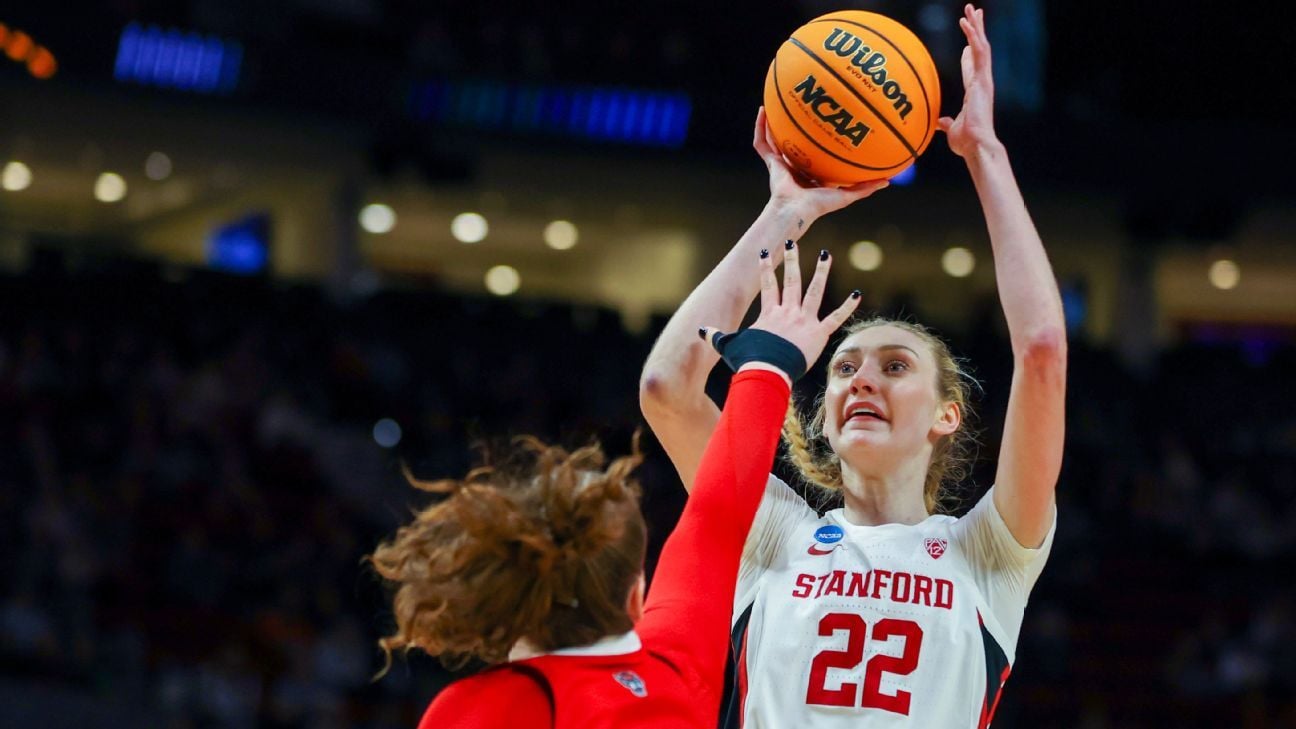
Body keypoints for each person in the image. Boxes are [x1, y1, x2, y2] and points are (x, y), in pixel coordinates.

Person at [638, 5, 1066, 727]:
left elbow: (1043, 349)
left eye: (895, 366)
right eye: (842, 369)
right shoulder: (776, 532)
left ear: (945, 414)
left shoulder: (987, 553)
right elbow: (667, 388)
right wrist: (783, 214)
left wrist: (984, 153)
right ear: (824, 416)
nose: (862, 378)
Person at [369, 249, 862, 727]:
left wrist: (769, 367)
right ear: (636, 596)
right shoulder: (675, 671)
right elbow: (718, 514)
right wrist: (767, 368)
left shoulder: (479, 706)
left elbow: (720, 511)